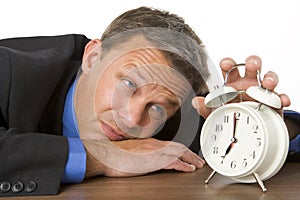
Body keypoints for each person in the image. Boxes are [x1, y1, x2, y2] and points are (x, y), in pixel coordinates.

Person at [0, 6, 297, 197]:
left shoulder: (172, 118)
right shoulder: (7, 70)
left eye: (158, 107)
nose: (132, 119)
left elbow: (245, 139)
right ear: (92, 57)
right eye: (128, 84)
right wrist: (102, 156)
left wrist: (259, 120)